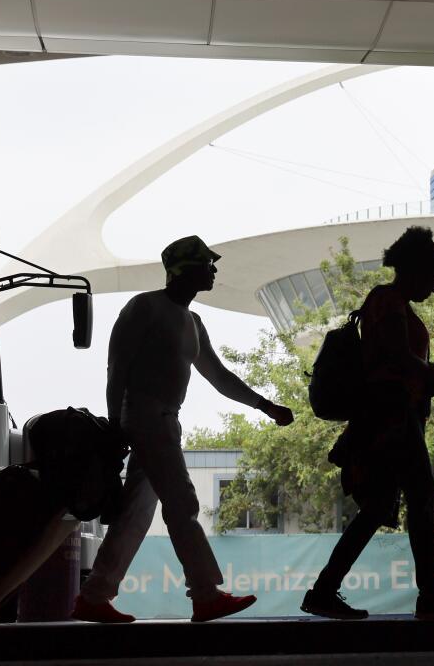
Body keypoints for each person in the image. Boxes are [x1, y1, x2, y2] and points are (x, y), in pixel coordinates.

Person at [72, 236, 294, 624]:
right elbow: (117, 369)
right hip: (144, 418)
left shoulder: (193, 321)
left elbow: (219, 377)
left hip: (163, 421)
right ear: (185, 269)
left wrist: (265, 405)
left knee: (137, 514)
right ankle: (206, 594)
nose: (214, 270)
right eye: (208, 263)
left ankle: (93, 596)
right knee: (182, 504)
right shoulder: (144, 307)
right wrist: (115, 423)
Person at [301, 226, 434, 621]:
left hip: (392, 415)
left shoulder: (393, 304)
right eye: (432, 278)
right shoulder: (388, 302)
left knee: (381, 506)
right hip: (392, 417)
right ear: (414, 271)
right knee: (420, 497)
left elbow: (396, 370)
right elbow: (396, 364)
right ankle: (429, 596)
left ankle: (324, 591)